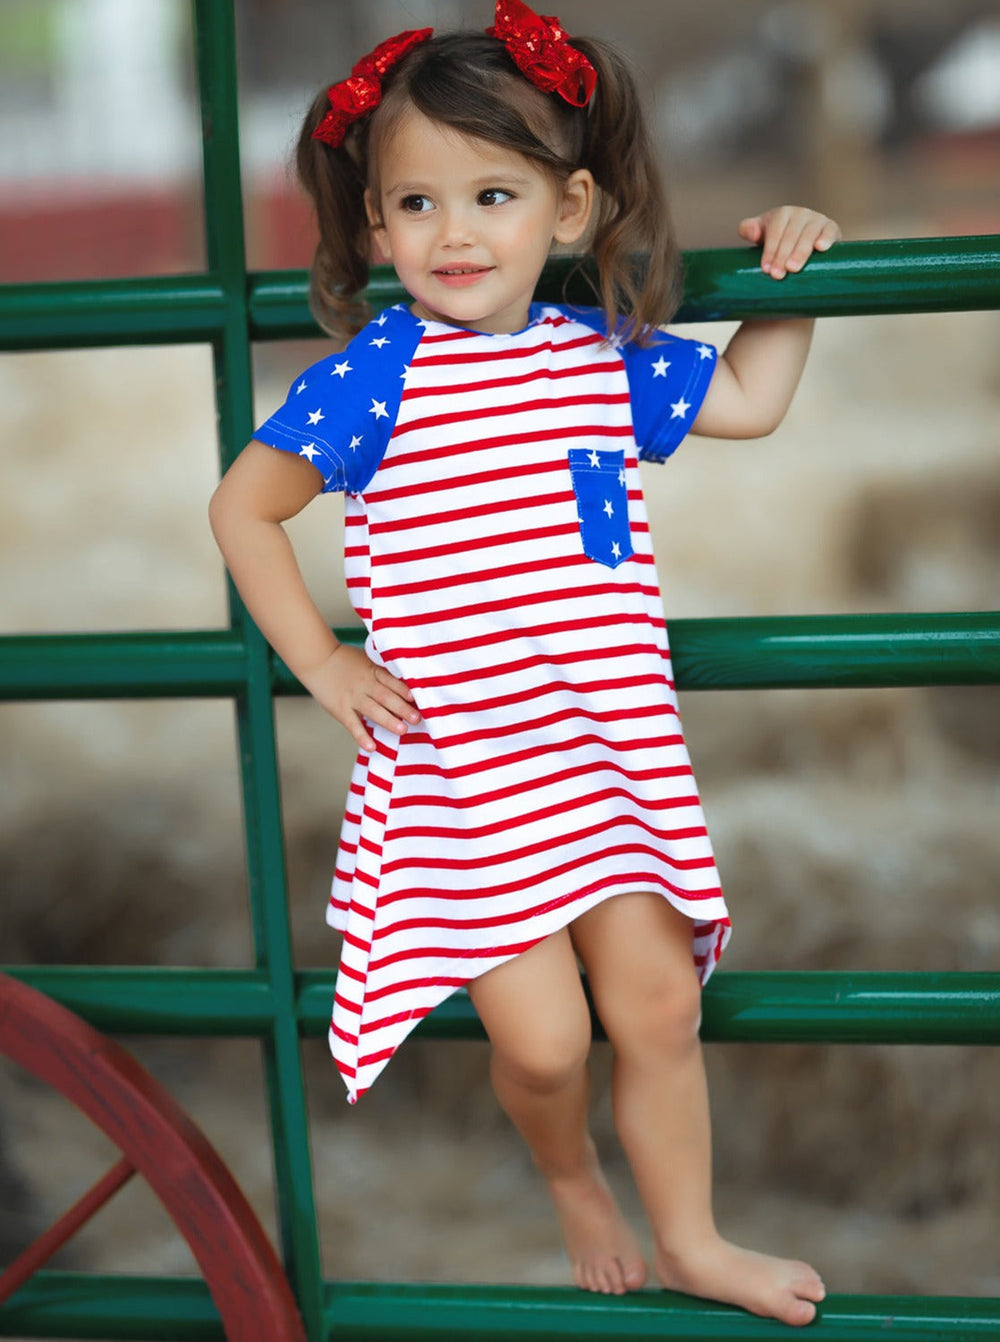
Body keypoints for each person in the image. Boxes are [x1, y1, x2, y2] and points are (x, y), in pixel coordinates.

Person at [210, 0, 840, 1326]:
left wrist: (796, 270)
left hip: (604, 754)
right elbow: (243, 509)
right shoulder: (377, 378)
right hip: (469, 771)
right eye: (417, 204)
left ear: (569, 209)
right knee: (546, 1044)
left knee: (657, 1007)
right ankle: (568, 1173)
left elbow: (750, 401)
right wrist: (320, 660)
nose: (454, 234)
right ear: (375, 227)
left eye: (492, 195)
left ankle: (694, 1238)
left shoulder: (601, 356)